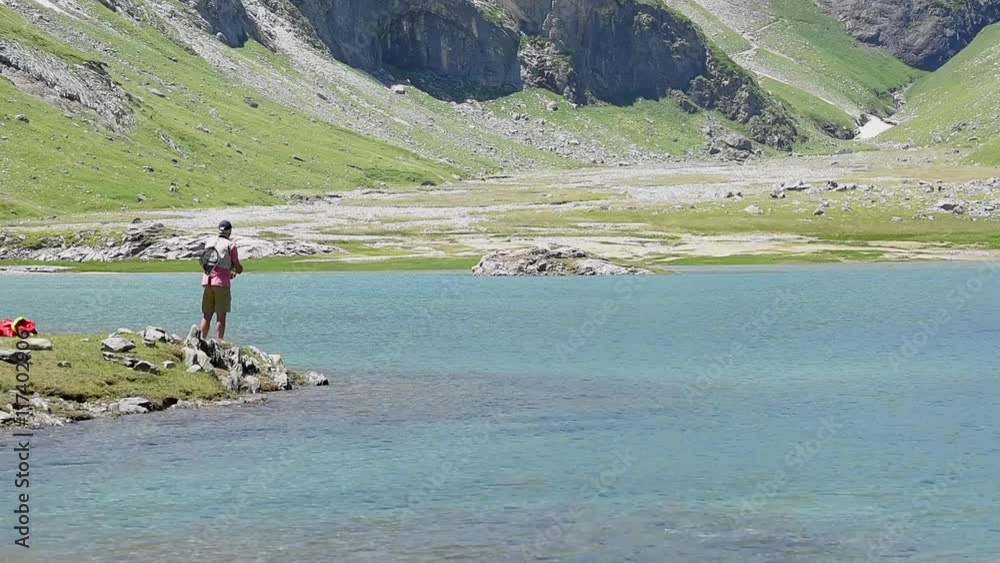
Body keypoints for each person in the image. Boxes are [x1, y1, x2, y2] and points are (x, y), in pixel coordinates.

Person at [200, 220, 243, 341]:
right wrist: (237, 270)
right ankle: (219, 343)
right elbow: (237, 266)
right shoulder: (231, 245)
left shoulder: (209, 242)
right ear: (230, 231)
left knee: (206, 315)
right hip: (221, 284)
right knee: (221, 316)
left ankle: (201, 340)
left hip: (206, 281)